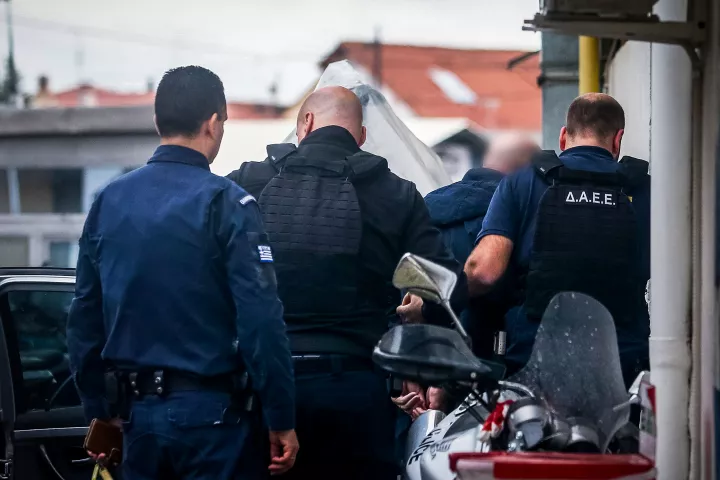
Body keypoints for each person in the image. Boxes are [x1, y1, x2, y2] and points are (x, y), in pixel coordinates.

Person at [67, 66, 298, 480]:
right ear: (213, 123)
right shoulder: (229, 203)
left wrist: (99, 412)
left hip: (136, 422)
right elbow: (261, 320)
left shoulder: (108, 201)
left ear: (158, 121)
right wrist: (280, 416)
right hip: (213, 423)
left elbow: (84, 316)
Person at [227, 85, 464, 480]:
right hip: (355, 393)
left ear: (306, 123)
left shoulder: (244, 184)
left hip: (263, 388)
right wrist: (420, 307)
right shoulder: (397, 194)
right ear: (362, 137)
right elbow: (450, 287)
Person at [465, 93, 651, 387]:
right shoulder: (644, 190)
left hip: (534, 361)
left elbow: (483, 272)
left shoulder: (522, 181)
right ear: (618, 140)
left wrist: (431, 305)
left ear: (563, 136)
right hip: (621, 367)